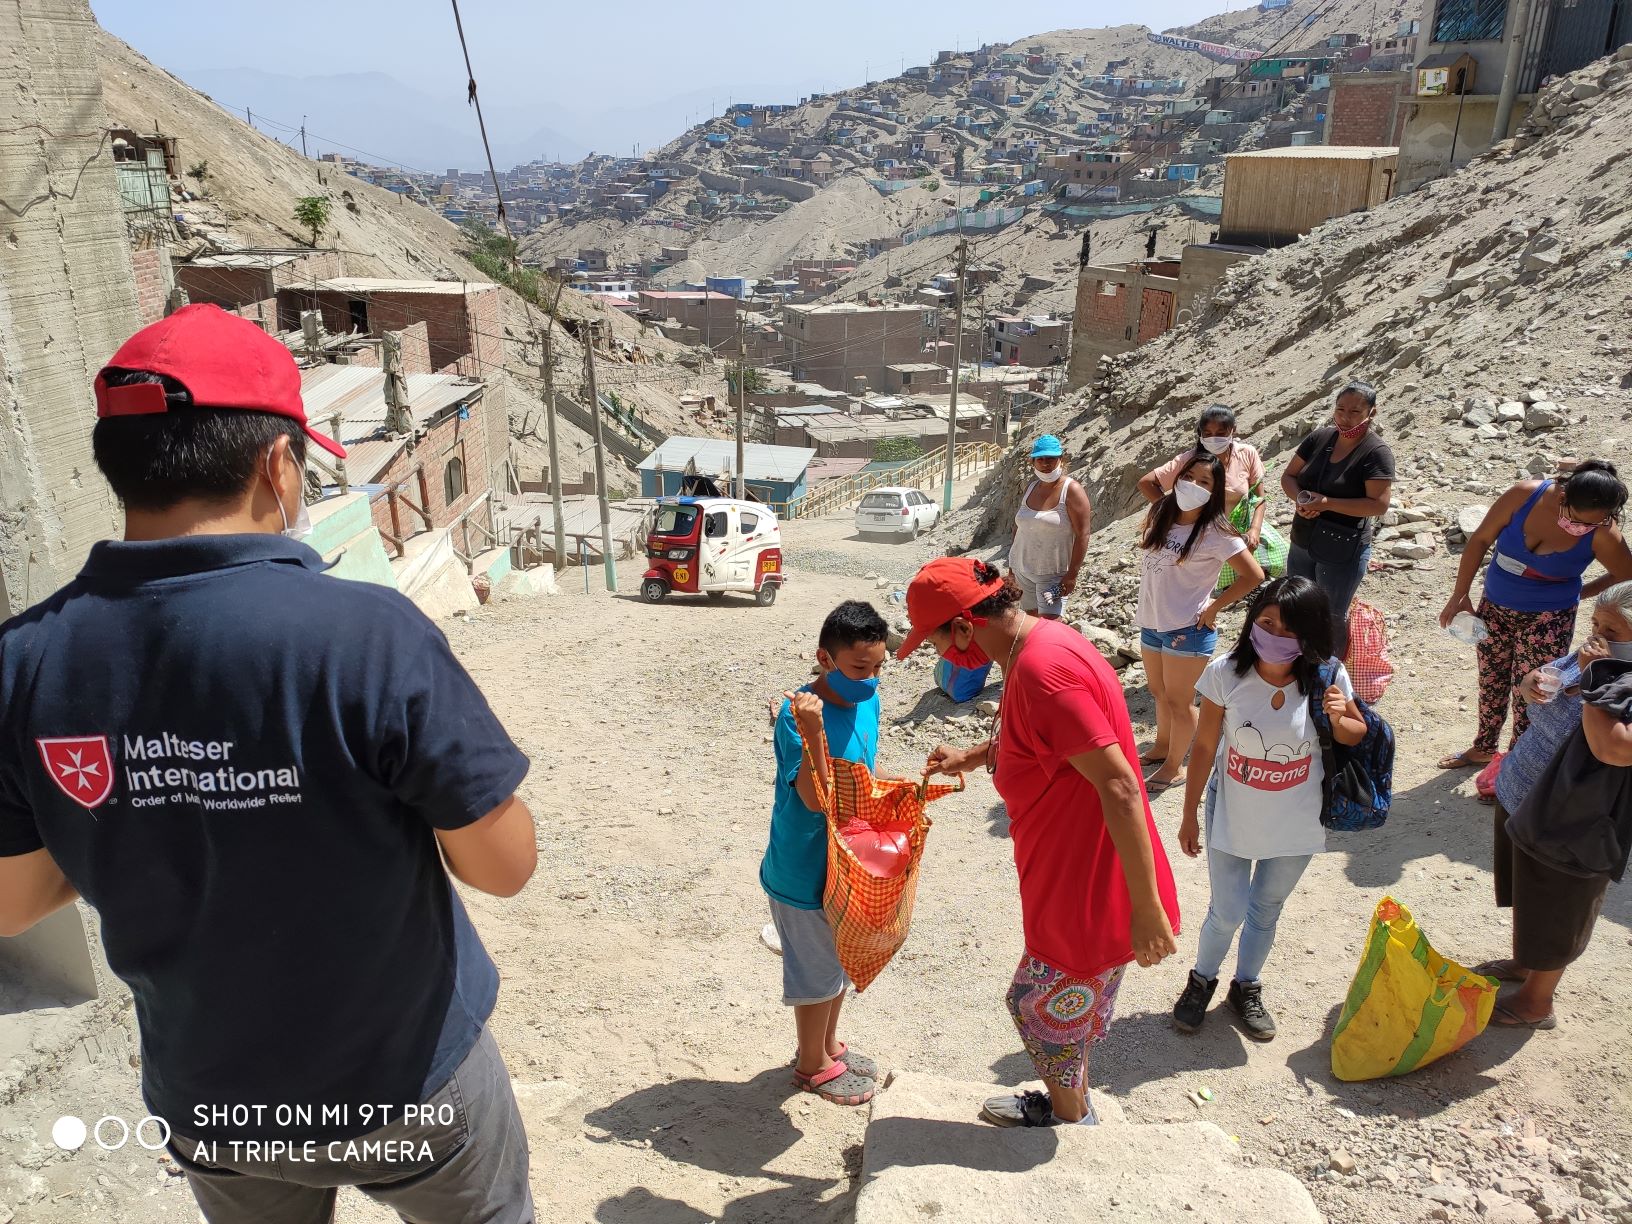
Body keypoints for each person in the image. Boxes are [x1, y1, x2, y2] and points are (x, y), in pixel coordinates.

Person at [0, 305, 538, 1223]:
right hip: (408, 1085)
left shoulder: (23, 662)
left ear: (118, 467)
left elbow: (12, 902)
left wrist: (147, 820)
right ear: (275, 465)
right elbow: (503, 866)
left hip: (213, 1103)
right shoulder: (367, 636)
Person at [900, 559, 1180, 1127]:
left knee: (1036, 1007)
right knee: (1067, 1007)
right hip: (1074, 868)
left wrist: (1146, 909)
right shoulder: (1039, 644)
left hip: (1087, 878)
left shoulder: (1040, 672)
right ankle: (1067, 1103)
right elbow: (1036, 736)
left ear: (961, 626)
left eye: (935, 643)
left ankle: (1071, 1121)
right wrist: (974, 757)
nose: (941, 658)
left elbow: (1123, 785)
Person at [1172, 576, 1368, 1041]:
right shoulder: (1225, 672)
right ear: (1251, 622)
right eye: (1266, 623)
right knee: (1227, 910)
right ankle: (1201, 980)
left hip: (1296, 818)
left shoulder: (1328, 675)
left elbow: (1354, 736)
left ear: (1312, 631)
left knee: (1266, 908)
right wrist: (1189, 813)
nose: (1276, 636)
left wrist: (1342, 718)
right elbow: (1203, 747)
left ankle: (1247, 986)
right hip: (1235, 812)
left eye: (1290, 628)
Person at [1475, 581, 1632, 1027]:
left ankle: (1536, 1003)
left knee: (1559, 902)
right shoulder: (1593, 659)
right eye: (1596, 623)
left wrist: (1592, 679)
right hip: (1525, 795)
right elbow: (1539, 685)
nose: (1596, 635)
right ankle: (1525, 964)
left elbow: (1613, 748)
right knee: (1530, 891)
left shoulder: (1613, 673)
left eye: (1612, 629)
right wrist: (1532, 683)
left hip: (1575, 818)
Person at [761, 600, 890, 1107]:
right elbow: (816, 800)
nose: (872, 679)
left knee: (837, 962)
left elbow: (865, 769)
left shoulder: (868, 699)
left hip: (845, 864)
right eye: (861, 668)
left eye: (879, 667)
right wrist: (815, 735)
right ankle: (810, 1062)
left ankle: (828, 1044)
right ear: (825, 658)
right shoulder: (798, 716)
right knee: (815, 971)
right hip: (803, 869)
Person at [1436, 461, 1632, 770]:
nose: (1580, 528)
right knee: (1491, 680)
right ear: (1562, 496)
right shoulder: (1524, 495)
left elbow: (1625, 575)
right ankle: (1484, 748)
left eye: (1590, 524)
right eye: (1575, 519)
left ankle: (1514, 764)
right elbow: (1481, 540)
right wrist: (1459, 595)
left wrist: (1580, 592)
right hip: (1494, 608)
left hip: (1549, 621)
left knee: (1534, 691)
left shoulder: (1604, 533)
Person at [1136, 452, 1265, 793]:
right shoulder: (1162, 511)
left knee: (1180, 702)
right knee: (1159, 692)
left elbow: (1253, 575)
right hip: (1153, 620)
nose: (1193, 485)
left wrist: (1215, 607)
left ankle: (1175, 766)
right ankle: (1163, 746)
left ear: (1215, 490)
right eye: (1188, 476)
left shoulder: (1215, 531)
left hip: (1187, 628)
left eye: (1204, 481)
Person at [1280, 380, 1395, 654]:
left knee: (1331, 616)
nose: (1345, 417)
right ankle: (1295, 665)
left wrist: (1327, 504)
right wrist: (1300, 499)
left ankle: (1327, 677)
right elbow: (1289, 476)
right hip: (1303, 539)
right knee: (1298, 605)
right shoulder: (1319, 438)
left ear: (1372, 413)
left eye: (1355, 411)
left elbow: (1378, 505)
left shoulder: (1376, 452)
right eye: (1341, 409)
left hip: (1342, 548)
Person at [1138, 404, 1268, 542]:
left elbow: (1259, 498)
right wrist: (1171, 514)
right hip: (1199, 539)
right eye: (1207, 434)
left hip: (1239, 534)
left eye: (1220, 433)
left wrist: (1255, 529)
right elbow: (1146, 483)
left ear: (1233, 430)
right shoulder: (1189, 460)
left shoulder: (1246, 454)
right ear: (1201, 433)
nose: (1213, 438)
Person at [1010, 435, 1092, 620]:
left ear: (1061, 459)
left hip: (1052, 576)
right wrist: (1011, 569)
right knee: (1032, 628)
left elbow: (1083, 535)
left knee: (1051, 630)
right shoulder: (1031, 488)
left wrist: (1072, 575)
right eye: (1040, 459)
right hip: (1023, 573)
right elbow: (1019, 529)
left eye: (1051, 458)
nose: (1045, 463)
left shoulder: (1071, 490)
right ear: (1033, 462)